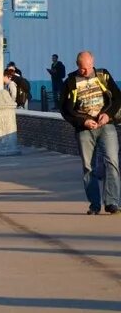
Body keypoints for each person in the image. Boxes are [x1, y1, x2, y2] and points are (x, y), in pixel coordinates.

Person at [60, 51, 121, 215]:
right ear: (77, 65)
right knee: (88, 167)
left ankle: (112, 202)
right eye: (81, 68)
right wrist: (83, 121)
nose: (85, 71)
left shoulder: (103, 75)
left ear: (92, 63)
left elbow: (117, 98)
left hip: (105, 125)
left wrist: (107, 115)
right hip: (84, 129)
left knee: (112, 162)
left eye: (87, 68)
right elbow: (65, 109)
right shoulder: (70, 82)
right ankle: (94, 204)